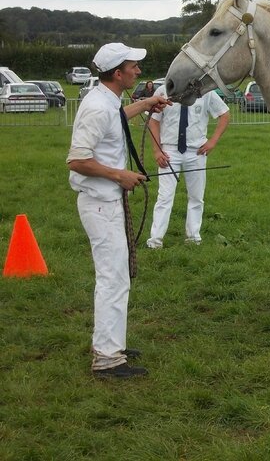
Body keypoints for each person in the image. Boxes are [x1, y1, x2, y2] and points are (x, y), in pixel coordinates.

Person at [67, 42, 170, 378]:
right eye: (133, 66)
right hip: (100, 202)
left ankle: (112, 344)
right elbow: (77, 160)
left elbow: (118, 118)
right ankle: (107, 360)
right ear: (117, 73)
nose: (138, 71)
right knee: (113, 278)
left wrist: (147, 103)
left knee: (118, 276)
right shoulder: (97, 107)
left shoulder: (107, 101)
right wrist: (119, 174)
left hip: (106, 200)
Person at [146, 86, 230, 249]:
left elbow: (225, 115)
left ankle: (193, 237)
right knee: (164, 196)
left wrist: (212, 141)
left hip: (196, 151)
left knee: (196, 196)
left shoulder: (205, 92)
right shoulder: (164, 90)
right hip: (169, 150)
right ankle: (155, 240)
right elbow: (153, 120)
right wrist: (157, 150)